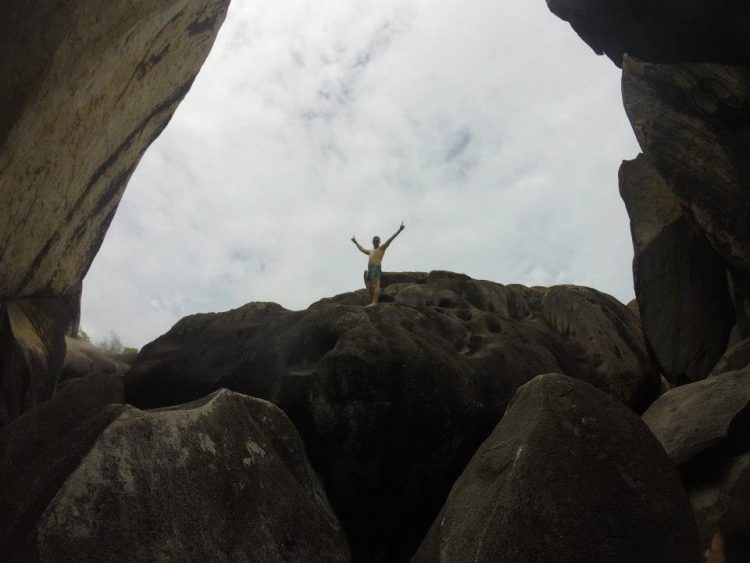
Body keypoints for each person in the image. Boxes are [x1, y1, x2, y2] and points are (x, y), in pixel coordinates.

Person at [351, 222, 405, 307]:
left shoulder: (382, 248)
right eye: (374, 240)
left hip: (376, 267)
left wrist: (399, 230)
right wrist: (355, 242)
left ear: (379, 241)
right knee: (370, 286)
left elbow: (390, 239)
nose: (375, 240)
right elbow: (361, 249)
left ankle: (375, 302)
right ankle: (373, 300)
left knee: (376, 285)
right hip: (370, 269)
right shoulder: (370, 251)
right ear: (372, 242)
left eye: (376, 240)